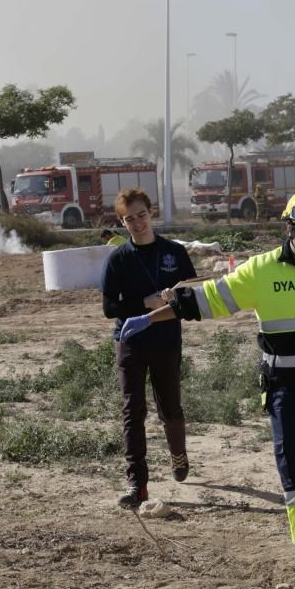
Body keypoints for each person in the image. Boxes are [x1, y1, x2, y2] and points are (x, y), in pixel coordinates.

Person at [118, 185, 295, 589]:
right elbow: (205, 300)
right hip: (286, 394)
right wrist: (152, 319)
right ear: (288, 228)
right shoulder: (261, 270)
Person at [99, 188, 197, 509]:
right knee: (133, 411)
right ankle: (137, 484)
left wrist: (174, 297)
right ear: (122, 222)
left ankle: (178, 457)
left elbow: (193, 292)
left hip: (166, 340)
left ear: (150, 213)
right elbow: (110, 307)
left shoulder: (174, 252)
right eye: (129, 219)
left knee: (169, 407)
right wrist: (143, 303)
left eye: (141, 215)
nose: (137, 223)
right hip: (130, 342)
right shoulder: (118, 259)